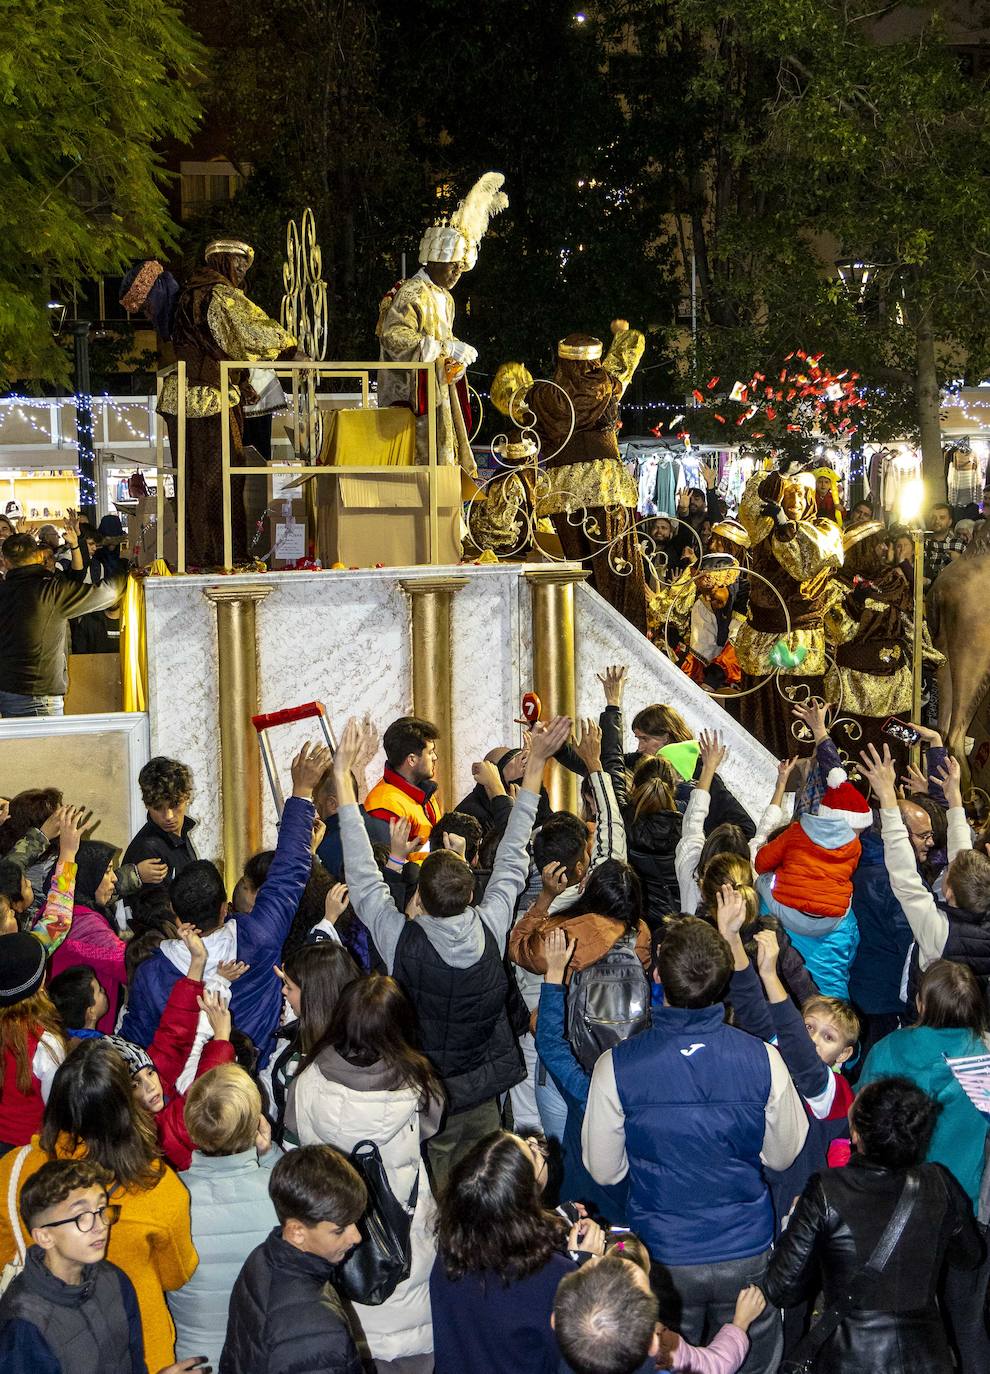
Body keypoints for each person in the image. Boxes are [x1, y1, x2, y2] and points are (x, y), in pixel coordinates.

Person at [334, 713, 571, 1183]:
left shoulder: (402, 939)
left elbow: (362, 873)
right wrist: (537, 766)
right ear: (470, 894)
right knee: (491, 1183)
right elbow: (513, 854)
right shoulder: (492, 923)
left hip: (427, 1094)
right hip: (482, 1090)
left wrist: (343, 777)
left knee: (444, 1198)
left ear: (418, 900)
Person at [582, 916, 808, 1374]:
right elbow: (784, 1153)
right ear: (723, 980)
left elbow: (604, 1171)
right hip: (745, 1246)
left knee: (669, 1364)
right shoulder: (763, 1058)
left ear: (658, 975)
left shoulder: (616, 1066)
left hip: (663, 1253)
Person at [120, 743, 326, 1068]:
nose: (169, 816)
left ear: (176, 911)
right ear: (223, 908)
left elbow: (138, 1044)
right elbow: (288, 874)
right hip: (250, 1082)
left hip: (187, 1102)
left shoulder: (152, 973)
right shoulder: (258, 937)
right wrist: (302, 792)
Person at [0, 1039, 198, 1372]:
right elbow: (176, 1275)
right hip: (140, 1352)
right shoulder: (160, 1187)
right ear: (126, 1107)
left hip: (41, 1341)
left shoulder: (11, 1170)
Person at [763, 1077, 983, 1374]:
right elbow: (969, 1256)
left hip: (848, 1358)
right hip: (927, 1356)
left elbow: (782, 1288)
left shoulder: (827, 1189)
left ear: (856, 1134)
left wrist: (792, 1223)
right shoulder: (938, 1183)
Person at [288, 974, 443, 1373]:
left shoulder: (306, 1079)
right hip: (404, 1232)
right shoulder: (417, 1082)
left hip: (333, 1229)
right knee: (410, 1324)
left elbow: (295, 1136)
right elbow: (431, 1126)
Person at [857, 960, 990, 1371]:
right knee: (968, 1323)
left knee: (909, 1324)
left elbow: (860, 1123)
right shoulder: (984, 1058)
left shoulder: (889, 1051)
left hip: (900, 1212)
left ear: (920, 1002)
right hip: (969, 1213)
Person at [492, 321, 648, 631]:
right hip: (606, 490)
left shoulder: (542, 397)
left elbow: (505, 389)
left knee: (581, 574)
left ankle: (587, 636)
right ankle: (624, 637)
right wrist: (621, 333)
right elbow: (630, 351)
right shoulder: (606, 385)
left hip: (564, 497)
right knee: (618, 572)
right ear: (592, 360)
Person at [157, 238, 300, 568]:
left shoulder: (194, 292)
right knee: (221, 477)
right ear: (221, 261)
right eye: (237, 262)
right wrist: (289, 349)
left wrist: (243, 380)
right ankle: (223, 555)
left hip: (191, 395)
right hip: (207, 400)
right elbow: (249, 330)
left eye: (245, 265)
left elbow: (215, 346)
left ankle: (201, 554)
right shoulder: (217, 292)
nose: (241, 270)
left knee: (196, 479)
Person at [0, 1158, 204, 1374]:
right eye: (81, 1216)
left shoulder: (114, 1279)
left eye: (101, 1209)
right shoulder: (24, 1324)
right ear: (44, 1237)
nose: (100, 1226)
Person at [430, 1130, 602, 1374]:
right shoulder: (554, 1275)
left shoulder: (451, 1246)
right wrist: (585, 1268)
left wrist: (555, 1219)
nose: (537, 1144)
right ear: (527, 1194)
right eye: (533, 1152)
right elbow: (574, 1357)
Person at [378, 172, 506, 470]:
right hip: (411, 398)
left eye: (461, 269)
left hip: (439, 394)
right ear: (434, 260)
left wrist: (454, 353)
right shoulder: (412, 291)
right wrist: (443, 347)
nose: (456, 274)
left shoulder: (445, 299)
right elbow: (394, 337)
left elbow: (442, 343)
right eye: (452, 266)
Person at [168, 1065, 281, 1371]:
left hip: (194, 1359)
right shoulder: (279, 1194)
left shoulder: (169, 1197)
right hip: (262, 1357)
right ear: (257, 1122)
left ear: (191, 1125)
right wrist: (270, 1155)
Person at [219, 1143, 365, 1374]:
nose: (356, 1237)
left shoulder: (262, 1257)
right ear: (297, 1231)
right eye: (339, 1230)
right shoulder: (318, 1330)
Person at [733, 468, 844, 758]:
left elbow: (803, 564)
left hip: (796, 643)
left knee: (795, 715)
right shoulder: (764, 531)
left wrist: (784, 524)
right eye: (787, 496)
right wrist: (769, 479)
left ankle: (803, 776)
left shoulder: (823, 530)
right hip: (761, 638)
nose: (793, 502)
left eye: (798, 495)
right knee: (763, 716)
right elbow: (750, 510)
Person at [553, 1252, 763, 1374]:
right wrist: (740, 1324)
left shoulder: (549, 1358)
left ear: (555, 1321)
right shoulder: (666, 1352)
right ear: (654, 1343)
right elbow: (715, 1365)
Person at [0, 533, 126, 717]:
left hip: (6, 692)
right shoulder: (51, 591)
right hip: (40, 696)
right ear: (38, 557)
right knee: (47, 746)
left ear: (5, 561)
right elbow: (108, 593)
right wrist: (127, 572)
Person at [824, 520, 918, 760]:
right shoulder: (837, 585)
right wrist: (855, 603)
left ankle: (896, 793)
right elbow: (840, 632)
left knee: (897, 750)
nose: (886, 549)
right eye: (879, 545)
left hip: (896, 686)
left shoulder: (893, 582)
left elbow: (912, 627)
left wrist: (924, 652)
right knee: (855, 756)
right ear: (864, 548)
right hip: (854, 688)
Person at [269, 942, 361, 1145]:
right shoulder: (368, 1039)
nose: (284, 991)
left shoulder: (300, 1068)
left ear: (314, 997)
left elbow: (293, 1140)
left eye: (289, 987)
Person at [363, 717, 442, 858]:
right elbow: (388, 867)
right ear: (411, 760)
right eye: (430, 752)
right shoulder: (384, 805)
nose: (435, 757)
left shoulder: (424, 791)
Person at [123, 757, 198, 888]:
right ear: (147, 805)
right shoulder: (148, 849)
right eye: (158, 807)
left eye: (175, 805)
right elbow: (156, 907)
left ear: (187, 797)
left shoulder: (181, 833)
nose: (168, 816)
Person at [924, 502, 965, 586]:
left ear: (950, 522)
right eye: (933, 517)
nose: (937, 521)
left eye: (942, 518)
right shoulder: (922, 543)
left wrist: (959, 562)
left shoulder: (960, 545)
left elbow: (968, 574)